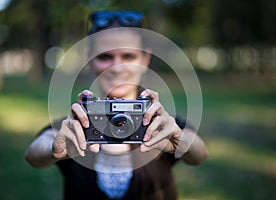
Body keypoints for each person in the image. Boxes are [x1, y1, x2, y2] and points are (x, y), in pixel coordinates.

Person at [25, 10, 208, 200]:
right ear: (90, 59)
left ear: (145, 59)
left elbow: (200, 153)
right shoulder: (78, 123)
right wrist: (54, 149)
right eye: (105, 57)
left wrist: (180, 142)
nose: (117, 67)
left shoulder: (158, 123)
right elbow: (33, 154)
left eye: (128, 56)